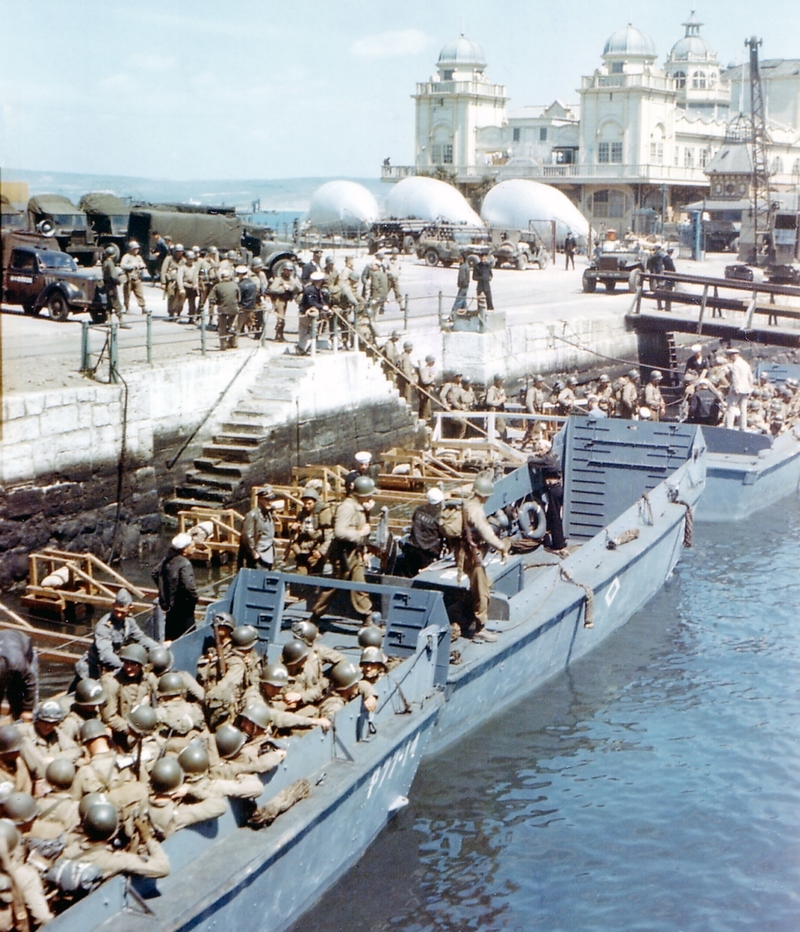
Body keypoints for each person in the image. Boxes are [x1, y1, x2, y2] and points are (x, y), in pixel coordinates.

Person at [440, 476, 511, 642]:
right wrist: (502, 547)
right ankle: (480, 627)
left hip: (463, 553)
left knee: (485, 583)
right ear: (485, 495)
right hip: (472, 555)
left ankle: (459, 611)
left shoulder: (468, 504)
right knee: (482, 590)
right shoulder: (476, 510)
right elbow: (487, 533)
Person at [308, 476, 377, 628]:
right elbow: (339, 532)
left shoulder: (358, 507)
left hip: (354, 552)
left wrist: (363, 549)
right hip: (343, 554)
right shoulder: (347, 507)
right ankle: (315, 618)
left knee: (360, 585)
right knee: (334, 586)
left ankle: (367, 619)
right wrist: (360, 533)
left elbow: (361, 527)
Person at [75, 589, 158, 681]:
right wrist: (127, 666)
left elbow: (142, 639)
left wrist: (157, 648)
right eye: (116, 611)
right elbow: (105, 654)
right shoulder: (104, 626)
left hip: (111, 667)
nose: (119, 615)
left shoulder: (129, 622)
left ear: (130, 608)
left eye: (122, 612)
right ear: (113, 606)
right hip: (91, 670)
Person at [154, 533, 198, 641]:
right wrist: (194, 597)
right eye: (192, 547)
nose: (195, 549)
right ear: (184, 550)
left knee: (171, 636)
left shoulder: (167, 560)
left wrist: (163, 591)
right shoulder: (185, 563)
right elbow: (189, 586)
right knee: (188, 636)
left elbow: (155, 573)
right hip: (184, 608)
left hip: (170, 606)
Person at [399, 488, 445, 577]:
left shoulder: (418, 510)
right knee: (425, 578)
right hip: (428, 552)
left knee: (409, 576)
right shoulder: (440, 516)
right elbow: (444, 532)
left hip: (411, 547)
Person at [286, 487, 332, 576]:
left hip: (315, 552)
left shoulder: (323, 515)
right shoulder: (301, 514)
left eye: (309, 503)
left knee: (315, 578)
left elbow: (328, 536)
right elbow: (294, 536)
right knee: (300, 577)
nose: (306, 506)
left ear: (315, 502)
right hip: (301, 552)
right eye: (305, 503)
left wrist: (321, 552)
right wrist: (293, 529)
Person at [238, 487, 280, 570]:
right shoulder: (252, 515)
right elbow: (247, 536)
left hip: (268, 554)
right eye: (267, 500)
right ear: (260, 500)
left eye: (271, 500)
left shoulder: (268, 513)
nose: (270, 502)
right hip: (258, 555)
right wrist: (254, 553)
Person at [0, 631, 37, 722]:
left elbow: (30, 683)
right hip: (5, 642)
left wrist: (27, 709)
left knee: (16, 691)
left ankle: (16, 716)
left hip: (21, 641)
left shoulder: (17, 664)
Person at [207, 266, 241, 351]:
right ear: (229, 276)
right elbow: (239, 298)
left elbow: (211, 298)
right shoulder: (235, 285)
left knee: (222, 328)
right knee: (233, 326)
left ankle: (223, 345)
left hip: (222, 309)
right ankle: (233, 342)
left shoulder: (217, 286)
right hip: (233, 309)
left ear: (221, 277)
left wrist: (216, 303)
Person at [297, 270, 330, 355]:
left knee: (309, 332)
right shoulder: (310, 290)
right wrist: (322, 307)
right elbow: (311, 302)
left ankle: (303, 349)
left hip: (310, 314)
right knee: (310, 331)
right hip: (306, 314)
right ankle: (301, 347)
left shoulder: (317, 289)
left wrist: (325, 307)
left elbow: (320, 300)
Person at [268, 263, 301, 343]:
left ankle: (280, 335)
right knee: (280, 318)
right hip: (279, 300)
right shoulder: (278, 279)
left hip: (286, 300)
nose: (288, 272)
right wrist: (282, 288)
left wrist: (292, 288)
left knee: (282, 318)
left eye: (290, 271)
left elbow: (299, 287)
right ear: (283, 270)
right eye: (287, 270)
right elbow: (271, 289)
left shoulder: (292, 279)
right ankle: (278, 335)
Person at [724, 347, 754, 430]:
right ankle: (743, 426)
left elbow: (735, 377)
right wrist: (750, 387)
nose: (730, 358)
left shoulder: (735, 365)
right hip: (746, 389)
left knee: (731, 407)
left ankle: (729, 427)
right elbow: (750, 377)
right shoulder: (745, 364)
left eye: (730, 356)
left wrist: (736, 387)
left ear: (733, 355)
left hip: (737, 389)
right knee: (743, 408)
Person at [102, 246, 128, 327]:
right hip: (111, 286)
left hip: (106, 285)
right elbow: (114, 276)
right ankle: (121, 322)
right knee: (116, 303)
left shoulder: (105, 262)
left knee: (109, 304)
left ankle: (109, 320)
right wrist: (119, 281)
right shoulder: (110, 263)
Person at [120, 240, 147, 313]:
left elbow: (143, 264)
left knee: (140, 293)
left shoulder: (138, 257)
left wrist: (142, 266)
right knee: (127, 294)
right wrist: (131, 266)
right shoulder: (127, 256)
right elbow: (122, 265)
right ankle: (127, 308)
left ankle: (143, 307)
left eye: (137, 248)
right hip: (129, 278)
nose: (136, 250)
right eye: (135, 249)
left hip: (137, 278)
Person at [485, 373, 508, 441]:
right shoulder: (492, 390)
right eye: (502, 380)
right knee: (500, 430)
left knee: (500, 429)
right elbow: (488, 401)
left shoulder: (500, 389)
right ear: (498, 381)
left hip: (500, 411)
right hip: (494, 412)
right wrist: (499, 401)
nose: (503, 382)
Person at [417, 355, 437, 421]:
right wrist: (432, 378)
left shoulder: (429, 369)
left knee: (428, 407)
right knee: (426, 407)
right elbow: (425, 381)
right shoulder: (425, 369)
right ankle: (425, 420)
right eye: (432, 361)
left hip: (428, 390)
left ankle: (426, 420)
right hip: (425, 391)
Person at [398, 341, 416, 406]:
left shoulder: (403, 355)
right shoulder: (405, 357)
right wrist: (410, 379)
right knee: (407, 396)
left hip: (404, 378)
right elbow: (405, 369)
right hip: (406, 379)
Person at [662, 247, 676, 311]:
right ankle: (668, 307)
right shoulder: (669, 259)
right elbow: (672, 269)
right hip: (670, 276)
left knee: (666, 289)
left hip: (666, 275)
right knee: (669, 291)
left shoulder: (664, 258)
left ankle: (666, 306)